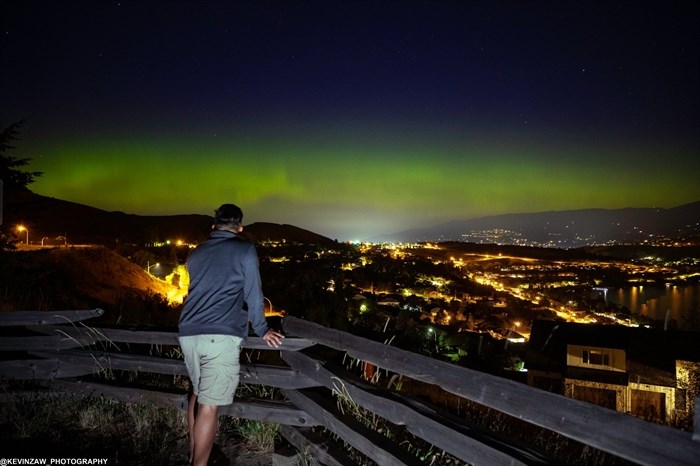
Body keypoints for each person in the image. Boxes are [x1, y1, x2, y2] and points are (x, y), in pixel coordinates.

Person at [178, 203, 284, 466]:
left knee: (197, 393)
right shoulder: (245, 249)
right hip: (220, 334)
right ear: (240, 227)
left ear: (214, 226)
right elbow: (253, 295)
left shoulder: (196, 253)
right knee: (210, 405)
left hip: (189, 332)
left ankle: (194, 453)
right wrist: (262, 329)